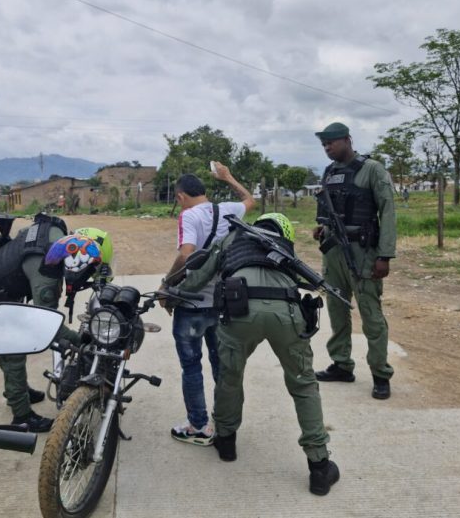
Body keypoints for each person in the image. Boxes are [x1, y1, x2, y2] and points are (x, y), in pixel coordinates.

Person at [176, 213, 340, 495]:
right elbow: (306, 280)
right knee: (303, 386)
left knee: (230, 377)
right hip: (287, 313)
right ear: (284, 232)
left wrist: (174, 290)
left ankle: (226, 442)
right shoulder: (285, 247)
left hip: (240, 312)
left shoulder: (230, 238)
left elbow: (198, 277)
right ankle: (319, 468)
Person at [0, 215, 104, 432]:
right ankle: (22, 416)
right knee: (14, 351)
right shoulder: (47, 272)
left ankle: (17, 390)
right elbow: (46, 322)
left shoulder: (54, 235)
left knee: (13, 348)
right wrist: (80, 340)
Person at [160, 163, 255, 446]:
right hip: (222, 300)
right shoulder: (228, 209)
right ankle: (223, 423)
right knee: (220, 364)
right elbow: (250, 200)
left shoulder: (188, 215)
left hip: (192, 305)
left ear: (180, 196)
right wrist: (228, 177)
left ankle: (198, 426)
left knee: (191, 367)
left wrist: (167, 284)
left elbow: (186, 254)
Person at [311, 122, 396, 400]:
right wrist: (321, 229)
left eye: (331, 143)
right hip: (333, 251)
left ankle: (380, 373)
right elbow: (328, 211)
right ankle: (341, 365)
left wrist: (384, 255)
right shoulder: (330, 172)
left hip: (363, 252)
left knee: (371, 315)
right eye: (324, 145)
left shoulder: (372, 169)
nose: (327, 148)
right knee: (336, 310)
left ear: (347, 140)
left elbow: (388, 212)